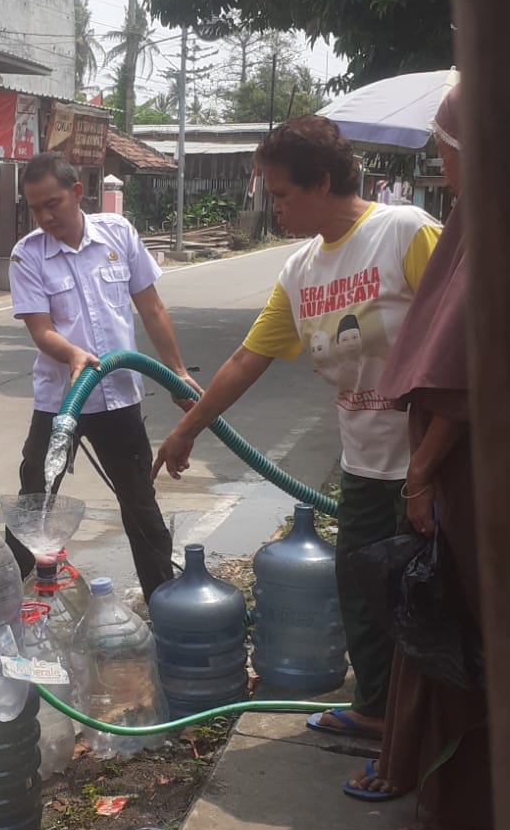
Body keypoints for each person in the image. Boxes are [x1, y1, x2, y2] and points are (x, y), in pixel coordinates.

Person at [153, 115, 442, 735]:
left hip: (436, 461)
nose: (273, 206)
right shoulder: (302, 270)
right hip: (366, 462)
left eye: (282, 193)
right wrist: (187, 429)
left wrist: (433, 463)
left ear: (326, 182)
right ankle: (376, 713)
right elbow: (246, 359)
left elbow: (469, 335)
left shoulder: (404, 233)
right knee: (363, 591)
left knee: (430, 602)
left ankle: (428, 732)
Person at [343, 85, 493, 830]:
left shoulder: (485, 224)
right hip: (461, 472)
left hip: (471, 484)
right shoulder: (469, 222)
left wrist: (422, 476)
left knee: (453, 640)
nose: (440, 158)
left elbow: (469, 377)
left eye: (447, 142)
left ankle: (460, 820)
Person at [7, 152, 199, 600]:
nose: (44, 216)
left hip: (118, 399)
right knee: (35, 502)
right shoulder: (27, 255)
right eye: (34, 207)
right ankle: (2, 607)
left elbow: (151, 308)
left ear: (77, 193)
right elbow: (41, 330)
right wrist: (73, 355)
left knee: (139, 505)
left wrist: (176, 373)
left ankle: (163, 604)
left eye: (52, 203)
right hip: (60, 402)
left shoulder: (118, 234)